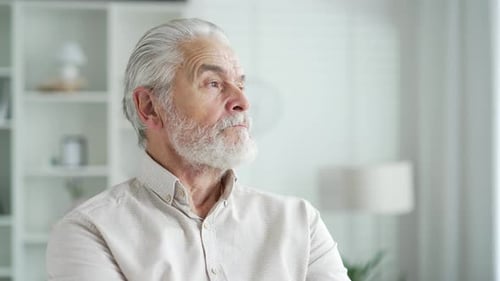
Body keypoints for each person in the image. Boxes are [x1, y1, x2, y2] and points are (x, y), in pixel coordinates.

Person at [46, 18, 350, 281]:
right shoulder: (91, 231)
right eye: (214, 83)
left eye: (240, 84)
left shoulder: (299, 222)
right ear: (150, 107)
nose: (242, 102)